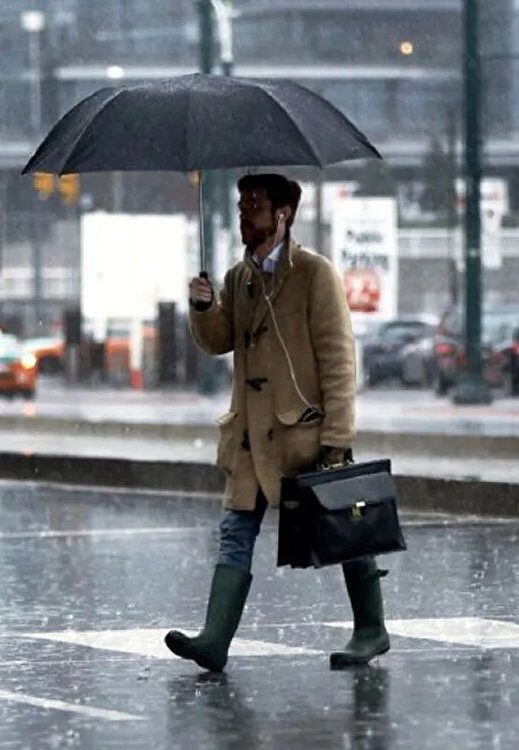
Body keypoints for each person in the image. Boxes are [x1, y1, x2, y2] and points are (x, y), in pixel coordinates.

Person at [165, 173, 390, 672]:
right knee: (235, 531)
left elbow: (338, 361)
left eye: (255, 206)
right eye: (242, 205)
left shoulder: (315, 274)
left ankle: (371, 629)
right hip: (249, 437)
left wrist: (337, 438)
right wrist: (203, 308)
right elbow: (219, 339)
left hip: (302, 433)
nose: (245, 214)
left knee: (347, 526)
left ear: (283, 214)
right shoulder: (238, 279)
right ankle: (215, 639)